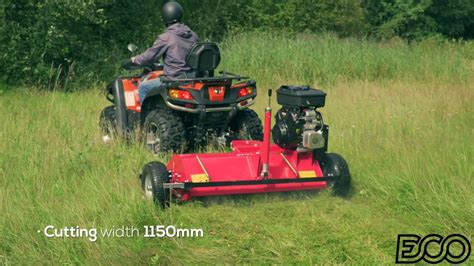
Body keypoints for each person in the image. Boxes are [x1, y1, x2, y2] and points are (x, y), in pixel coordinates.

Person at [131, 2, 199, 103]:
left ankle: (144, 117)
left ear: (165, 17)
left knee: (143, 87)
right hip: (193, 78)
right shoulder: (193, 35)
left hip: (174, 79)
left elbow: (150, 56)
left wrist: (135, 59)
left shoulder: (166, 37)